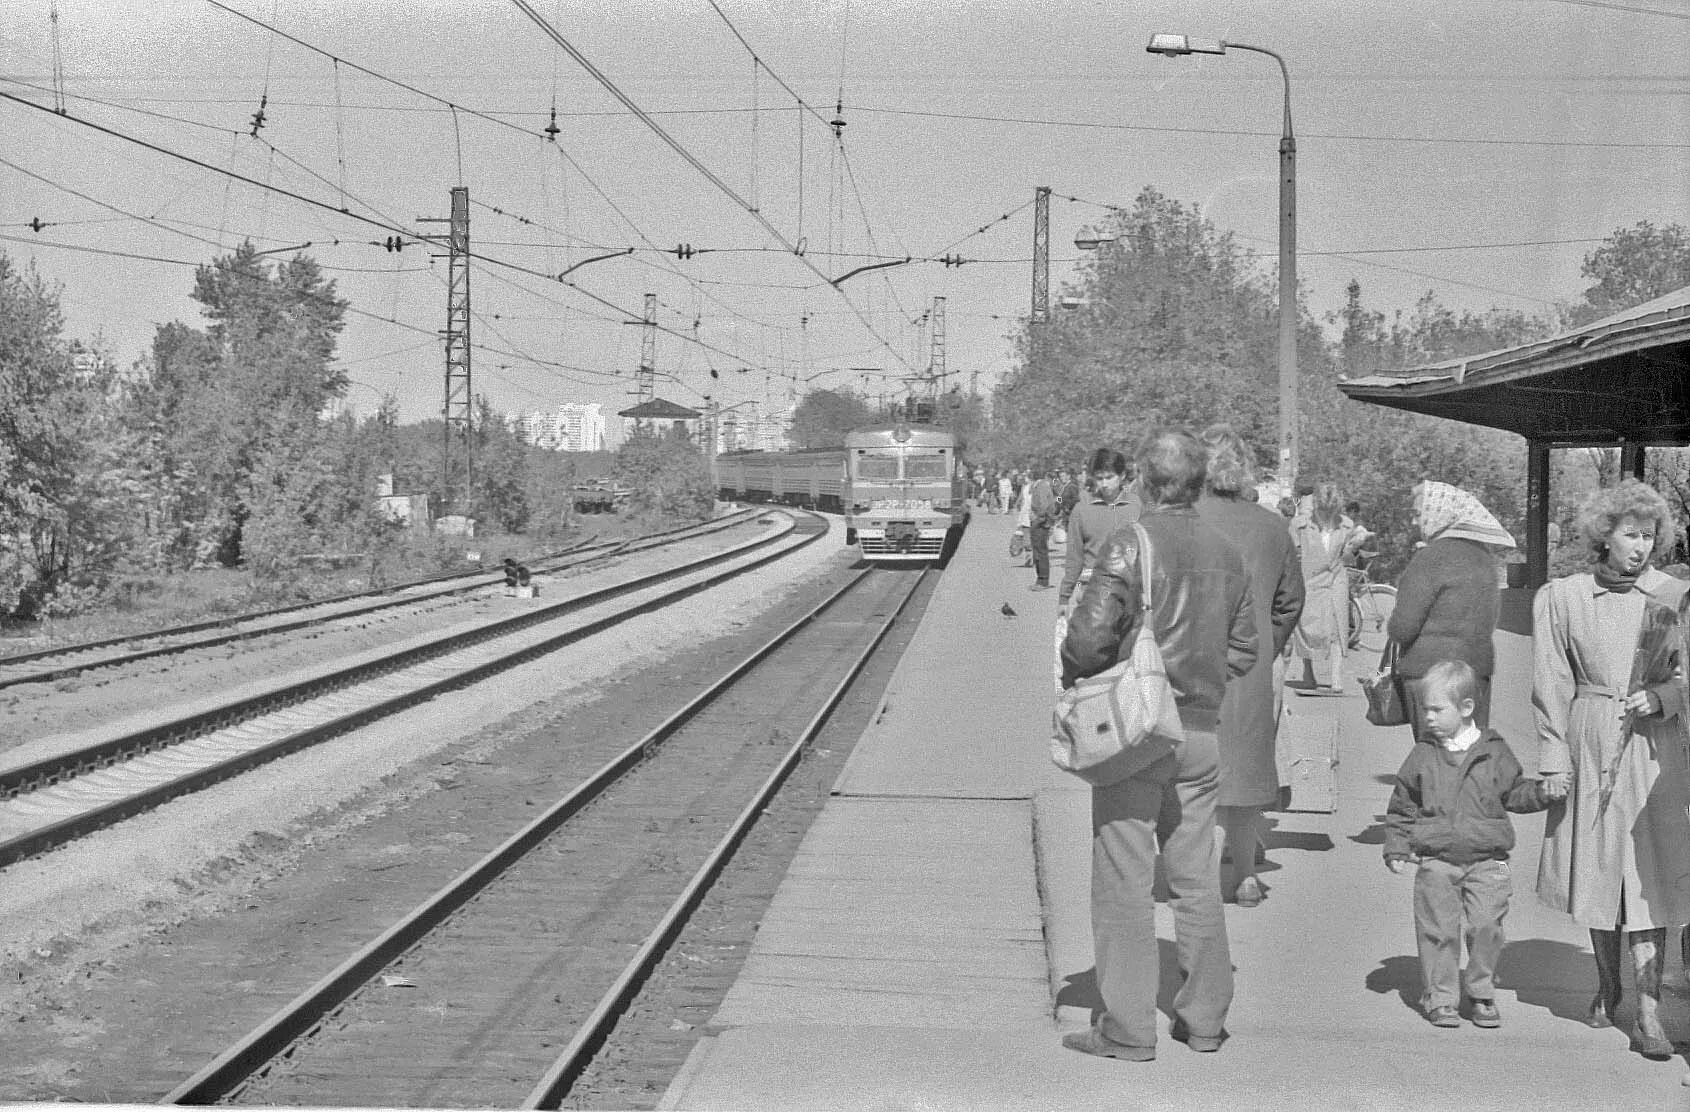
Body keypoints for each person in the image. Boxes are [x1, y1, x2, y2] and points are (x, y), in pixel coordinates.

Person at [1059, 427, 1257, 1062]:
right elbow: (1247, 647)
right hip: (1200, 733)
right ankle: (1203, 1020)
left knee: (1124, 877)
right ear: (1199, 482)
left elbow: (1087, 640)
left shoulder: (1128, 542)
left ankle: (1127, 1027)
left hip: (1138, 733)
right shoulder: (1227, 551)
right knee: (1196, 877)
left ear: (1144, 480)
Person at [1533, 479, 1690, 1059]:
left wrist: (1664, 699)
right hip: (1591, 741)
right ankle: (1607, 981)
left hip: (1653, 751)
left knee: (1651, 873)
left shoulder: (1671, 597)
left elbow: (1684, 674)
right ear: (1604, 536)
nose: (1641, 547)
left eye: (1650, 536)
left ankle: (1649, 1014)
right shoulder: (1563, 596)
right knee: (1599, 870)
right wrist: (1553, 757)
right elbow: (1549, 682)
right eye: (1631, 534)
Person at [1384, 660, 1558, 1029]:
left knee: (1487, 927)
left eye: (1436, 709)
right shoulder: (1422, 755)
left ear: (1465, 708)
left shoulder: (1494, 751)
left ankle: (1480, 990)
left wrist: (1543, 793)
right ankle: (1442, 997)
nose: (1427, 717)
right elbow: (1403, 803)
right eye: (1424, 709)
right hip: (1436, 860)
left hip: (1489, 860)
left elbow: (1515, 793)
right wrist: (1397, 845)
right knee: (1437, 930)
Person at [1196, 424, 1305, 907]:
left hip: (1188, 663)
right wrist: (1266, 644)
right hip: (1252, 667)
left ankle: (1195, 878)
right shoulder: (1271, 527)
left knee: (1194, 775)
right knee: (1243, 770)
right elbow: (1290, 601)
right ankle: (1244, 877)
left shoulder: (1180, 521)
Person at [1387, 480, 1515, 734]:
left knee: (1434, 757)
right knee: (1467, 757)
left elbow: (1403, 628)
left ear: (1439, 512)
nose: (1414, 522)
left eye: (1417, 514)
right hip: (1474, 671)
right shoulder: (1484, 559)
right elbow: (1490, 620)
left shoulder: (1428, 558)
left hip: (1428, 673)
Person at [1290, 484, 1368, 693]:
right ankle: (1308, 673)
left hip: (1335, 579)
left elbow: (1349, 554)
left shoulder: (1347, 525)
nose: (1324, 515)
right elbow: (1294, 554)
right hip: (1309, 579)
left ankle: (1336, 678)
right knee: (1306, 626)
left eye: (1329, 511)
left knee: (1336, 627)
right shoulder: (1300, 525)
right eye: (1321, 510)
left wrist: (1354, 546)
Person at [1058, 448, 1143, 609]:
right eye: (1099, 478)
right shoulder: (1081, 511)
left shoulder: (1138, 507)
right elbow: (1074, 559)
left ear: (1122, 476)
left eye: (1109, 477)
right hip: (1092, 594)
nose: (1104, 484)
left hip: (1130, 594)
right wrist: (1064, 599)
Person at [1028, 470, 1058, 591]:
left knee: (1040, 552)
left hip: (1041, 523)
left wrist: (1036, 519)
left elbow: (1044, 506)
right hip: (1041, 522)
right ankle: (1040, 580)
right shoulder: (1041, 486)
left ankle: (1043, 581)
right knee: (1038, 551)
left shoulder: (1041, 487)